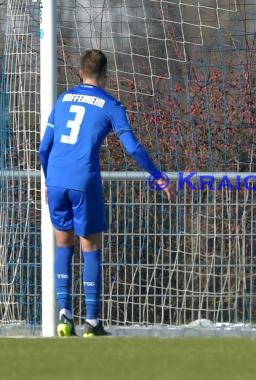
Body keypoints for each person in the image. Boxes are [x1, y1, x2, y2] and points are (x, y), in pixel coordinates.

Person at [39, 49, 176, 337]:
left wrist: (48, 180)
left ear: (80, 72)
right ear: (105, 75)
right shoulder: (111, 105)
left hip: (56, 178)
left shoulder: (63, 99)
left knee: (63, 245)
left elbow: (44, 147)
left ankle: (64, 316)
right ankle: (92, 321)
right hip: (83, 180)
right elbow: (133, 148)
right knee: (90, 247)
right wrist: (159, 177)